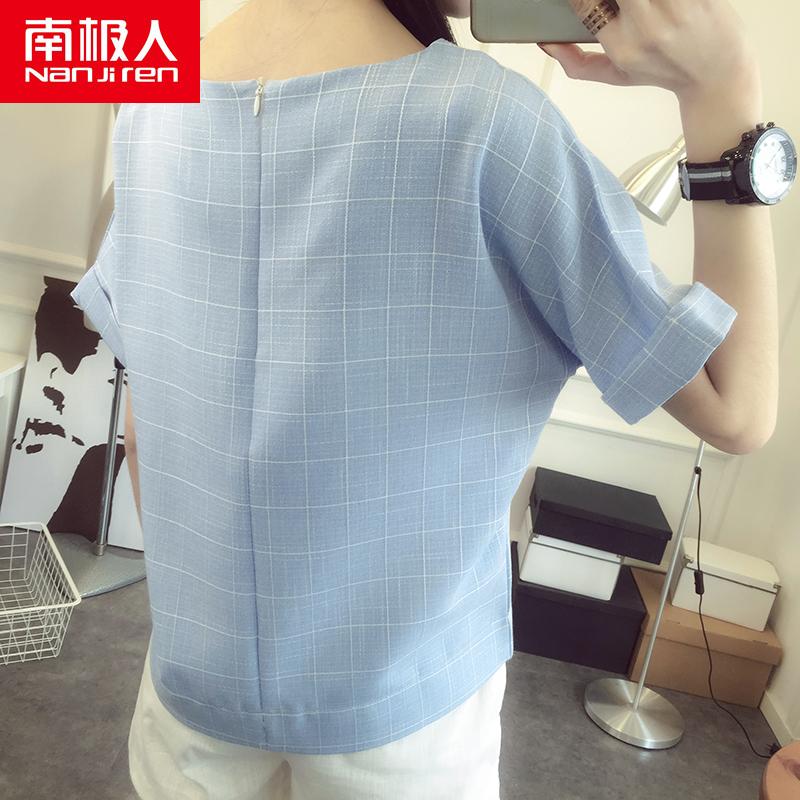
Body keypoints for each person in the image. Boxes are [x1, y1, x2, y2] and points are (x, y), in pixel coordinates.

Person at [68, 0, 784, 798]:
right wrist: (722, 89)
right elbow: (736, 405)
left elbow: (145, 426)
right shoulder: (489, 124)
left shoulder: (152, 103)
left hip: (192, 686)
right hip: (403, 718)